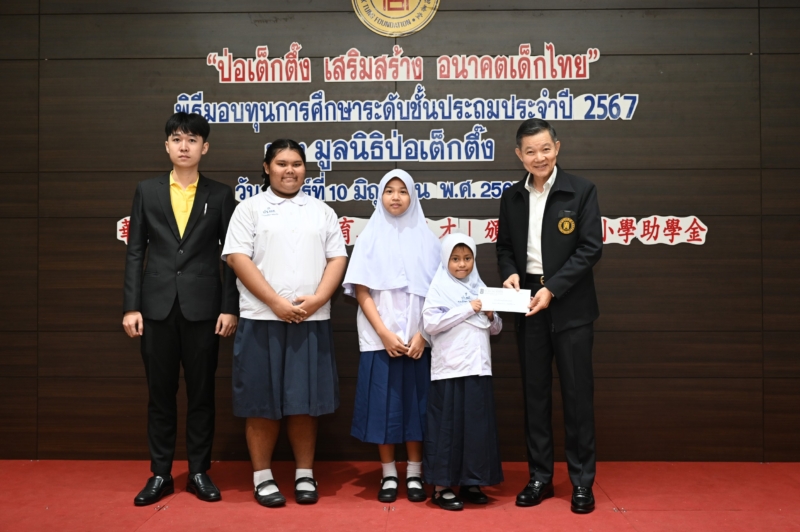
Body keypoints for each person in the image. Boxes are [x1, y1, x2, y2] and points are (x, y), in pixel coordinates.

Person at [222, 139, 347, 507]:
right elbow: (238, 259)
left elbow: (337, 259)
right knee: (260, 403)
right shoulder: (249, 209)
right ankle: (262, 477)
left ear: (305, 169)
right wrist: (276, 302)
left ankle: (304, 473)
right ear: (266, 168)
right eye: (281, 163)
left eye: (296, 163)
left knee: (304, 403)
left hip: (310, 320)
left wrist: (319, 298)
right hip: (261, 319)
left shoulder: (322, 211)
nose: (289, 170)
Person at [123, 112, 239, 506]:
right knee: (160, 394)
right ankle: (160, 474)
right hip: (155, 309)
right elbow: (136, 250)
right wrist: (131, 307)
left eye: (192, 140)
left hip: (204, 309)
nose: (184, 146)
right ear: (167, 145)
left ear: (205, 147)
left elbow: (231, 255)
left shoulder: (220, 194)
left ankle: (199, 472)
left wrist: (230, 307)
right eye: (177, 139)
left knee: (202, 393)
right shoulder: (147, 190)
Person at [496, 118, 603, 514]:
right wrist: (510, 272)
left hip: (570, 307)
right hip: (528, 306)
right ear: (519, 155)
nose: (538, 157)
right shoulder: (512, 196)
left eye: (545, 149)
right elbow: (504, 246)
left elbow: (590, 248)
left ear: (557, 148)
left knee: (577, 397)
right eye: (530, 151)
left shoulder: (581, 191)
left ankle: (581, 482)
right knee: (535, 395)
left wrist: (553, 287)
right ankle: (540, 476)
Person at [344, 169, 441, 504]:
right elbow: (361, 291)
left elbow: (438, 294)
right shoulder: (369, 237)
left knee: (416, 409)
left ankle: (414, 472)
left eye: (403, 190)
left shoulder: (429, 240)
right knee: (382, 409)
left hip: (418, 342)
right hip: (379, 340)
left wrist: (423, 334)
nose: (396, 197)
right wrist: (384, 333)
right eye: (389, 190)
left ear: (413, 196)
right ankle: (388, 474)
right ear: (380, 196)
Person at [422, 233, 504, 511]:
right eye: (455, 259)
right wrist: (468, 308)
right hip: (450, 369)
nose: (462, 264)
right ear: (446, 260)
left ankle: (472, 482)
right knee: (447, 429)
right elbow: (430, 324)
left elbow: (496, 329)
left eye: (467, 258)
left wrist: (491, 315)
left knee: (475, 429)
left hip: (478, 368)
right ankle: (441, 488)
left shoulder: (480, 287)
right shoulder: (438, 288)